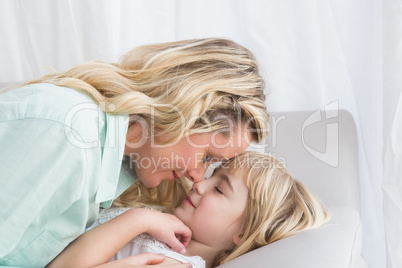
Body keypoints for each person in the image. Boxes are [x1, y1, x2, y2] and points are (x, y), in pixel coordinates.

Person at [0, 38, 270, 267]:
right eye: (207, 156)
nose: (197, 177)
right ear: (186, 112)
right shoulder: (67, 136)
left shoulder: (117, 169)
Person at [47, 152, 330, 268]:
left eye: (220, 189)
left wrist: (138, 219)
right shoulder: (161, 220)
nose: (200, 184)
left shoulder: (172, 264)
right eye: (213, 175)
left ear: (243, 232)